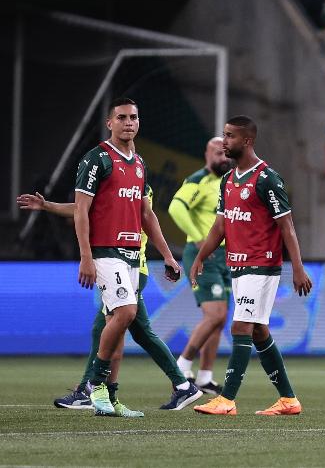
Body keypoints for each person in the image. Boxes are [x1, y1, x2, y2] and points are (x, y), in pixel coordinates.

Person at [18, 170, 202, 415]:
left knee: (106, 327)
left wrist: (168, 256)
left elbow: (139, 215)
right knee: (138, 332)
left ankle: (89, 388)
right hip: (126, 266)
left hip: (132, 267)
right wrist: (47, 206)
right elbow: (84, 207)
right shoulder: (118, 187)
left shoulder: (137, 187)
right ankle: (181, 385)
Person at [191, 115, 313, 415]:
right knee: (258, 331)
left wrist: (297, 267)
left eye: (230, 136)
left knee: (241, 326)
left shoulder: (267, 178)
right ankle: (288, 399)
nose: (224, 141)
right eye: (223, 135)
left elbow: (287, 227)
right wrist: (200, 257)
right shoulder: (228, 180)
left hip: (262, 266)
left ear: (247, 141)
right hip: (238, 266)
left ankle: (227, 399)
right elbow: (220, 227)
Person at [73, 98, 184, 416]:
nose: (128, 122)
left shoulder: (139, 165)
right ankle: (95, 384)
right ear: (110, 123)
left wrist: (167, 256)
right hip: (105, 252)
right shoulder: (97, 160)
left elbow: (146, 214)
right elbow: (81, 210)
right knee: (126, 312)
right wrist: (85, 256)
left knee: (117, 321)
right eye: (121, 117)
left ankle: (109, 398)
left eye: (133, 117)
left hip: (134, 255)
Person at [169, 137, 234, 395]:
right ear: (207, 154)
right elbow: (176, 208)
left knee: (220, 320)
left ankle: (205, 376)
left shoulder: (228, 181)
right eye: (218, 153)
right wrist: (197, 237)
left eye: (225, 154)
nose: (222, 158)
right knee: (214, 315)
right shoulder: (198, 180)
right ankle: (182, 364)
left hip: (226, 256)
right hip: (203, 255)